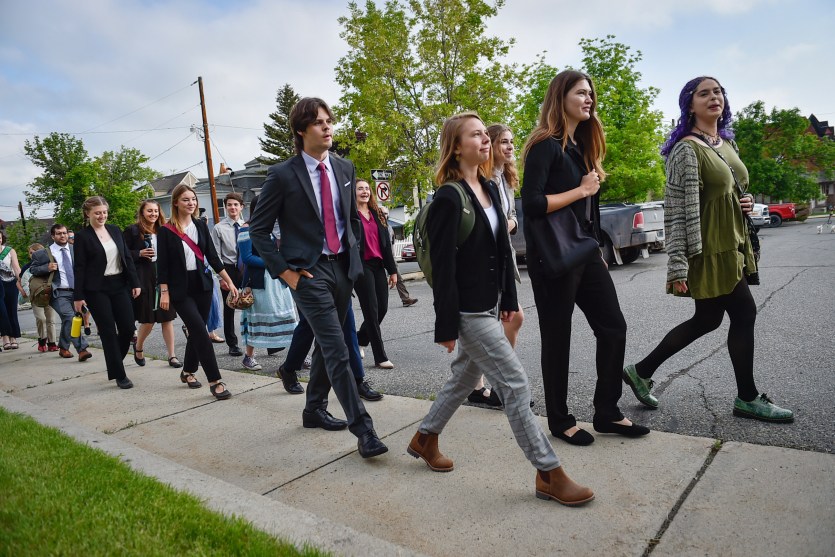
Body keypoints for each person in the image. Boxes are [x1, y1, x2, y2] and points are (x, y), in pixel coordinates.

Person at [407, 111, 593, 506]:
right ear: (456, 147)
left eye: (484, 134)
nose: (485, 140)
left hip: (491, 304)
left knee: (462, 379)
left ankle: (425, 437)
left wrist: (509, 298)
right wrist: (446, 326)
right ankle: (548, 472)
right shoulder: (448, 197)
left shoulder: (490, 189)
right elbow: (443, 268)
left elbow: (501, 252)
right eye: (475, 135)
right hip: (468, 312)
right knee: (514, 384)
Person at [622, 76, 793, 423]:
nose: (714, 97)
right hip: (711, 250)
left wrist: (743, 200)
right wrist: (678, 263)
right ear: (690, 104)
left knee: (708, 319)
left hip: (733, 244)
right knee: (743, 314)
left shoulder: (724, 142)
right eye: (704, 93)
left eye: (718, 92)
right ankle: (747, 397)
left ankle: (641, 370)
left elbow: (730, 187)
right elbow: (678, 210)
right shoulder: (686, 149)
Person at [249, 96, 387, 459]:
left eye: (329, 121)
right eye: (319, 122)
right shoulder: (282, 175)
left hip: (343, 267)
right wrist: (287, 273)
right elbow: (259, 231)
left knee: (330, 348)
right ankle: (364, 430)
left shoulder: (345, 168)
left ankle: (313, 409)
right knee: (338, 348)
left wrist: (354, 258)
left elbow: (351, 219)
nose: (328, 127)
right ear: (301, 130)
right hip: (308, 273)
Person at [521, 70, 649, 446]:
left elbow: (587, 213)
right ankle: (560, 421)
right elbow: (531, 204)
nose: (589, 99)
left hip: (585, 254)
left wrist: (597, 249)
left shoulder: (581, 147)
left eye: (591, 93)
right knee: (557, 339)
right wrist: (580, 190)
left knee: (613, 327)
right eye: (581, 93)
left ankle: (607, 411)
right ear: (560, 98)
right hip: (554, 260)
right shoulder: (546, 146)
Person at [462, 123, 526, 408]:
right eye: (504, 142)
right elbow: (494, 221)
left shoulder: (506, 179)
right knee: (510, 318)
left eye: (512, 142)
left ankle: (476, 386)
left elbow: (509, 218)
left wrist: (509, 223)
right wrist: (507, 223)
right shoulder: (483, 178)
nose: (510, 147)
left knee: (488, 324)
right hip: (487, 261)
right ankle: (499, 385)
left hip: (505, 254)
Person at [157, 184, 239, 399]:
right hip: (179, 288)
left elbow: (212, 256)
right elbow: (162, 266)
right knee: (200, 332)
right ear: (176, 202)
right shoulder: (166, 231)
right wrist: (164, 292)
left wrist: (229, 282)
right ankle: (215, 381)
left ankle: (187, 371)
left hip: (202, 285)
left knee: (197, 330)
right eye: (186, 199)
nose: (191, 203)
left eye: (193, 199)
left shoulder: (201, 226)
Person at [72, 196, 141, 389]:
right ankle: (120, 374)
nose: (102, 216)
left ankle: (114, 361)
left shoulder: (115, 230)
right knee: (108, 331)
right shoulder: (82, 237)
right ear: (88, 214)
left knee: (128, 327)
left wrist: (135, 282)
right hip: (97, 289)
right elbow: (79, 267)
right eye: (97, 213)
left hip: (119, 284)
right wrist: (78, 296)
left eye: (104, 212)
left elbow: (126, 257)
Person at [237, 195, 298, 371]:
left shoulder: (271, 228)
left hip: (278, 280)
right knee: (257, 319)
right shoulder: (246, 229)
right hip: (258, 282)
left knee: (287, 316)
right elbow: (247, 257)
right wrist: (275, 262)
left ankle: (297, 355)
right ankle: (249, 357)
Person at [277, 307, 383, 402]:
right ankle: (288, 369)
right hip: (309, 286)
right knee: (309, 325)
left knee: (347, 324)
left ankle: (357, 381)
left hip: (340, 285)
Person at [123, 200, 182, 368]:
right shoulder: (133, 231)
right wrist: (139, 253)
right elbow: (123, 254)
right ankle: (139, 346)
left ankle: (172, 355)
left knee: (167, 318)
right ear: (142, 212)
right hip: (144, 277)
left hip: (163, 277)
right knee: (148, 320)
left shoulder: (165, 230)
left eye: (156, 211)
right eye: (149, 211)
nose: (153, 214)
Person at [29, 224, 92, 361]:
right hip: (58, 292)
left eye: (64, 233)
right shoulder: (43, 253)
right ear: (53, 236)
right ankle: (82, 349)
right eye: (59, 233)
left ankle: (63, 347)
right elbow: (32, 270)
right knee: (69, 317)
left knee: (70, 320)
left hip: (77, 292)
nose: (62, 236)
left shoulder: (75, 249)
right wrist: (46, 267)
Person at [354, 179, 397, 369]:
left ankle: (359, 339)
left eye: (366, 188)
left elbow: (386, 245)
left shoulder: (378, 214)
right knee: (370, 311)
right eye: (360, 189)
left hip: (378, 265)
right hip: (362, 266)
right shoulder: (350, 216)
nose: (364, 191)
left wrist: (393, 270)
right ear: (353, 193)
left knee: (383, 308)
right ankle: (380, 357)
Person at [210, 192, 245, 357]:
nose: (232, 207)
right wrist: (221, 278)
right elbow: (215, 255)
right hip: (228, 269)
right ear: (225, 207)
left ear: (241, 207)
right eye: (229, 205)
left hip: (246, 269)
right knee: (230, 307)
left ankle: (261, 340)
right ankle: (233, 344)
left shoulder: (247, 226)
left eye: (236, 204)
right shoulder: (219, 228)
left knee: (253, 304)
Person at [19, 243, 59, 352]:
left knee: (51, 319)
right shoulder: (27, 267)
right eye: (30, 253)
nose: (32, 255)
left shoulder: (50, 264)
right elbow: (21, 281)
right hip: (35, 296)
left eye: (34, 252)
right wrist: (28, 292)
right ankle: (42, 339)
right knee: (41, 318)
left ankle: (52, 343)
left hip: (48, 294)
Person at [381, 207, 418, 307]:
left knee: (398, 278)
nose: (384, 215)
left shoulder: (389, 228)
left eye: (386, 213)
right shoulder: (375, 225)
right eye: (382, 213)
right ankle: (373, 300)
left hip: (390, 257)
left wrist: (392, 257)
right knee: (379, 280)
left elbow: (392, 243)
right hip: (378, 257)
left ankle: (405, 298)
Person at [0, 230, 25, 350]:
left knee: (11, 311)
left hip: (10, 284)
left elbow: (16, 269)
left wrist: (21, 283)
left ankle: (13, 337)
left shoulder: (9, 251)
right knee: (2, 312)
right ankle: (5, 336)